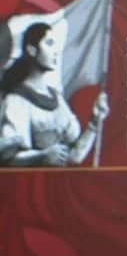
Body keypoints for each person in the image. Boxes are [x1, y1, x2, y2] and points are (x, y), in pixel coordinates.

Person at [0, 22, 108, 167]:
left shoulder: (57, 99)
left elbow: (74, 157)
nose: (55, 51)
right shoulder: (16, 100)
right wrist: (42, 156)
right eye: (49, 43)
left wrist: (94, 123)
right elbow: (10, 159)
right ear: (32, 50)